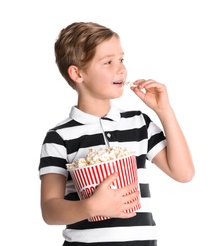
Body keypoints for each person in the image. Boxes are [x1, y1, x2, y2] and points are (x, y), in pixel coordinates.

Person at [39, 22, 195, 246]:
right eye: (108, 62)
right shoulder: (59, 137)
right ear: (77, 73)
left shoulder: (137, 122)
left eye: (121, 59)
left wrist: (164, 111)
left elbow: (184, 173)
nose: (120, 69)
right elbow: (49, 210)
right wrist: (91, 206)